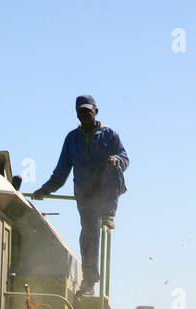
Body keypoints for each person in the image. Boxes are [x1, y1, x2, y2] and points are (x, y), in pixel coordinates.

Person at [32, 94, 128, 293]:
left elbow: (125, 159)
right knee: (88, 237)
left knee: (113, 164)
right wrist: (45, 190)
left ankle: (109, 214)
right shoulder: (72, 139)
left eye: (88, 110)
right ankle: (89, 281)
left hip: (105, 192)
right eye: (80, 111)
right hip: (85, 195)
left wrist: (117, 159)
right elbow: (61, 171)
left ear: (96, 111)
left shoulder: (110, 135)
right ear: (76, 113)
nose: (84, 114)